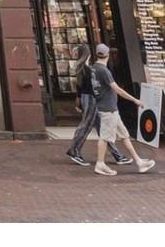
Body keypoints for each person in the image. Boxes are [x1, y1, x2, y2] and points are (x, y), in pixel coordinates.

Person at [88, 43, 155, 176]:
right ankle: (100, 164)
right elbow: (117, 89)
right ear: (107, 55)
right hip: (108, 109)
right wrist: (135, 100)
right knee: (105, 137)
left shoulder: (94, 68)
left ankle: (139, 161)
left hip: (109, 107)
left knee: (124, 135)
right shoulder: (104, 71)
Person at [65, 42, 129, 167]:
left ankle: (117, 155)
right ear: (88, 54)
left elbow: (80, 87)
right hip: (91, 99)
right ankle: (74, 150)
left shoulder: (82, 68)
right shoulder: (88, 69)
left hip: (88, 98)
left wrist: (79, 99)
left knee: (101, 127)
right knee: (88, 125)